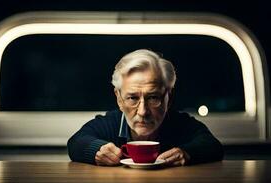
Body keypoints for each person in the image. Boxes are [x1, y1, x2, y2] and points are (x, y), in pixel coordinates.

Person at [67, 49, 223, 166]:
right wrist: (96, 149)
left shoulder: (180, 123)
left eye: (153, 98)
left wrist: (188, 153)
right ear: (119, 99)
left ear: (169, 98)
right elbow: (76, 142)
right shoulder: (110, 123)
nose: (143, 111)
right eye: (133, 98)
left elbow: (213, 145)